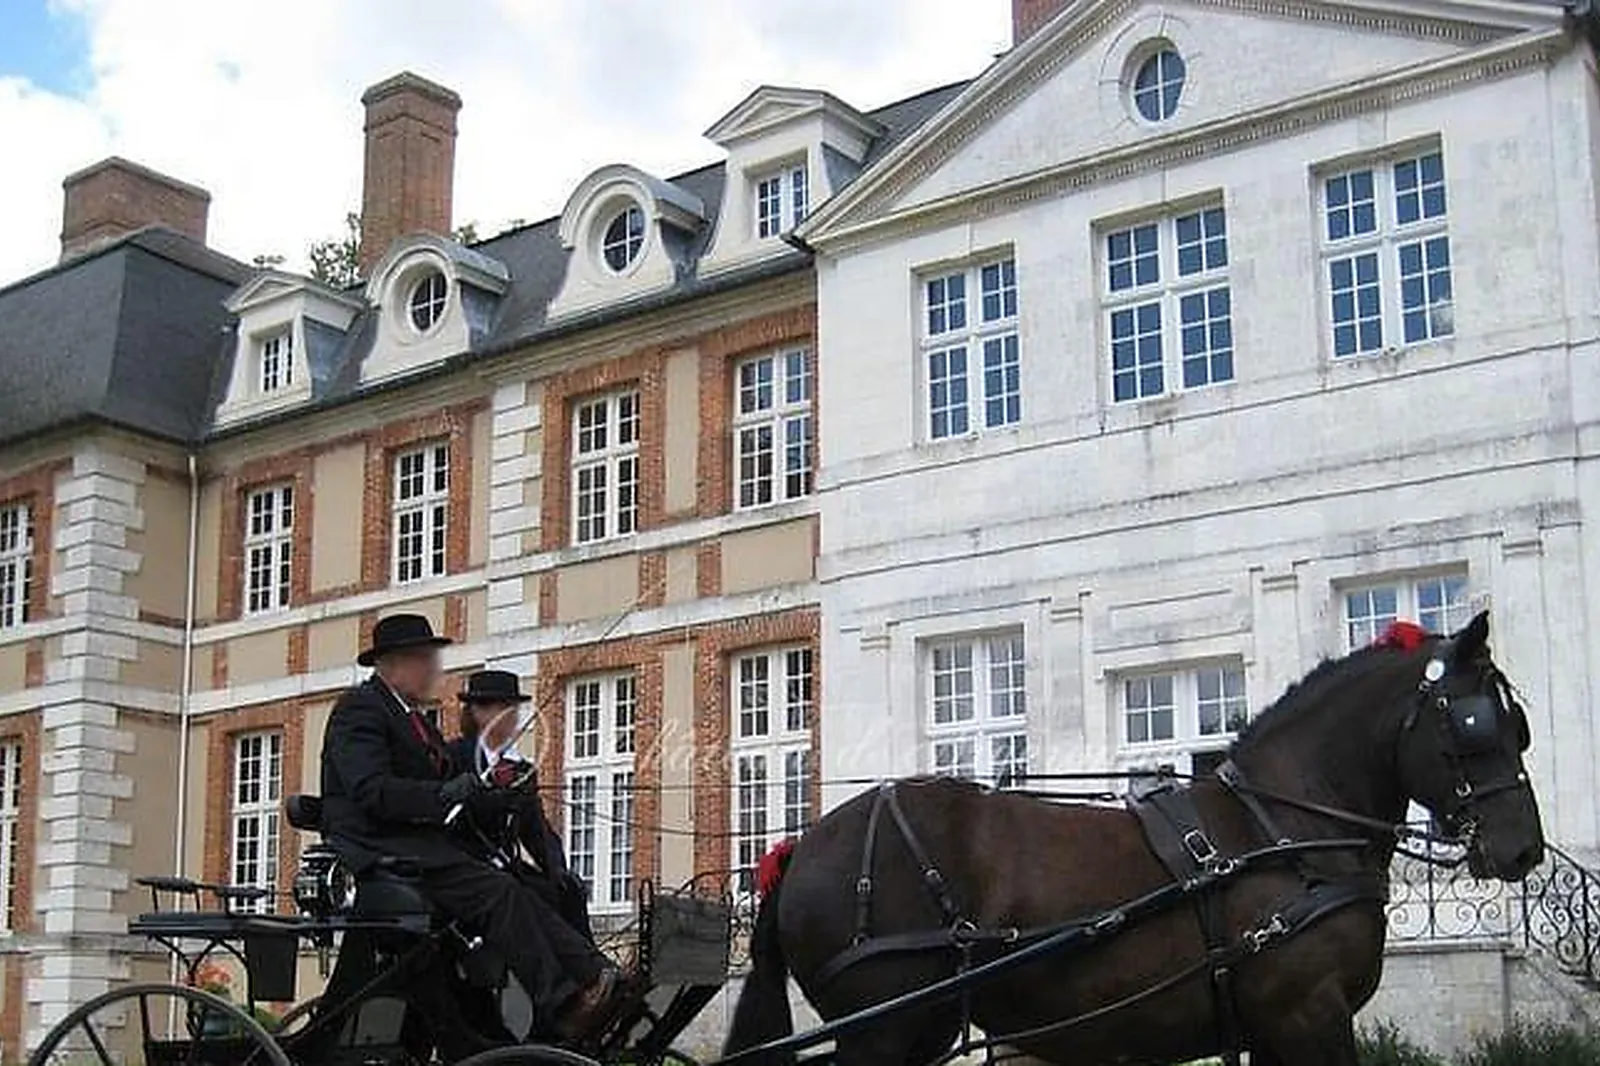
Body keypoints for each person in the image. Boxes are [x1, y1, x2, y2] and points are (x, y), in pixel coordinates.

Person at [319, 613, 621, 1041]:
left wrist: (495, 798)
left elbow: (458, 793)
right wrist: (443, 795)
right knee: (495, 888)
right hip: (380, 847)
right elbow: (371, 790)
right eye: (427, 660)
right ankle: (560, 1001)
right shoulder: (360, 710)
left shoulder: (416, 720)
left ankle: (595, 974)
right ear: (395, 662)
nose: (434, 671)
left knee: (524, 885)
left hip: (422, 845)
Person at [449, 670, 594, 943]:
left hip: (506, 864)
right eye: (504, 708)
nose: (514, 717)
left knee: (567, 891)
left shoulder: (521, 769)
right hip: (470, 867)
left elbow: (536, 829)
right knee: (526, 896)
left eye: (514, 709)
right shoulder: (455, 757)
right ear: (479, 713)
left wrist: (556, 869)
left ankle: (592, 969)